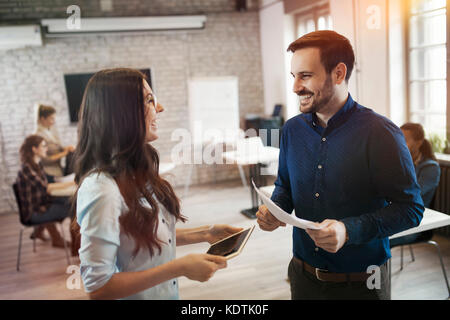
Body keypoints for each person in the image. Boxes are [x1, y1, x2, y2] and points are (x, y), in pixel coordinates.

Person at [256, 30, 424, 300]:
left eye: (305, 76)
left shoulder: (380, 133)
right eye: (294, 76)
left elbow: (411, 209)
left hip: (363, 282)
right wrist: (275, 211)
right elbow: (284, 186)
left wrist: (348, 230)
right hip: (302, 276)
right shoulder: (291, 130)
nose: (296, 87)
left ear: (338, 73)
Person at [72, 68, 242, 300]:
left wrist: (206, 233)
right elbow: (98, 288)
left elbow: (144, 234)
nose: (160, 108)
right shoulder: (102, 189)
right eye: (150, 100)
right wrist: (179, 267)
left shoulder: (136, 171)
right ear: (122, 113)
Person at [16, 135, 76, 248]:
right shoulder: (27, 169)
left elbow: (48, 180)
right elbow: (46, 188)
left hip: (40, 204)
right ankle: (76, 247)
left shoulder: (35, 165)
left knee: (70, 200)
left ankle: (48, 234)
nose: (46, 149)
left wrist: (66, 180)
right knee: (73, 207)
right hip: (34, 213)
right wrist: (73, 182)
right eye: (43, 146)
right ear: (35, 149)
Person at [389, 123, 440, 247]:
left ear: (419, 143)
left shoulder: (431, 167)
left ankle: (375, 266)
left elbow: (410, 194)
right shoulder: (400, 161)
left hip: (416, 224)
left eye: (404, 140)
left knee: (377, 239)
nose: (399, 143)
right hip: (396, 215)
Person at [35, 104, 75, 177]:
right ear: (43, 118)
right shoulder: (39, 136)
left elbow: (57, 147)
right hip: (50, 173)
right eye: (51, 118)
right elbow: (45, 160)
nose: (53, 121)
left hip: (58, 169)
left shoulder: (50, 132)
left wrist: (67, 148)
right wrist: (64, 153)